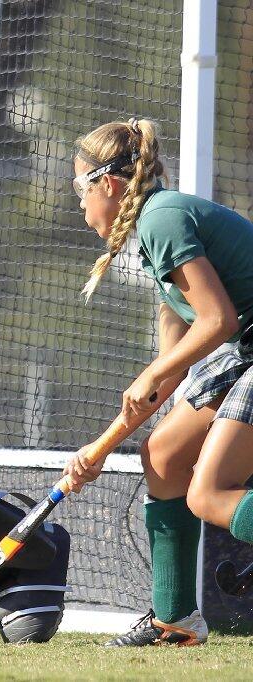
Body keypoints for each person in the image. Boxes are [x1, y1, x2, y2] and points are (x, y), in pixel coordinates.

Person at [64, 118, 253, 647]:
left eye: (81, 188)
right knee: (164, 454)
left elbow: (218, 322)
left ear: (110, 184)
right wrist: (98, 448)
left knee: (209, 494)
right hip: (246, 350)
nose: (79, 204)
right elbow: (163, 381)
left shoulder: (161, 220)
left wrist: (151, 372)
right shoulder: (153, 237)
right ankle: (175, 622)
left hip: (245, 343)